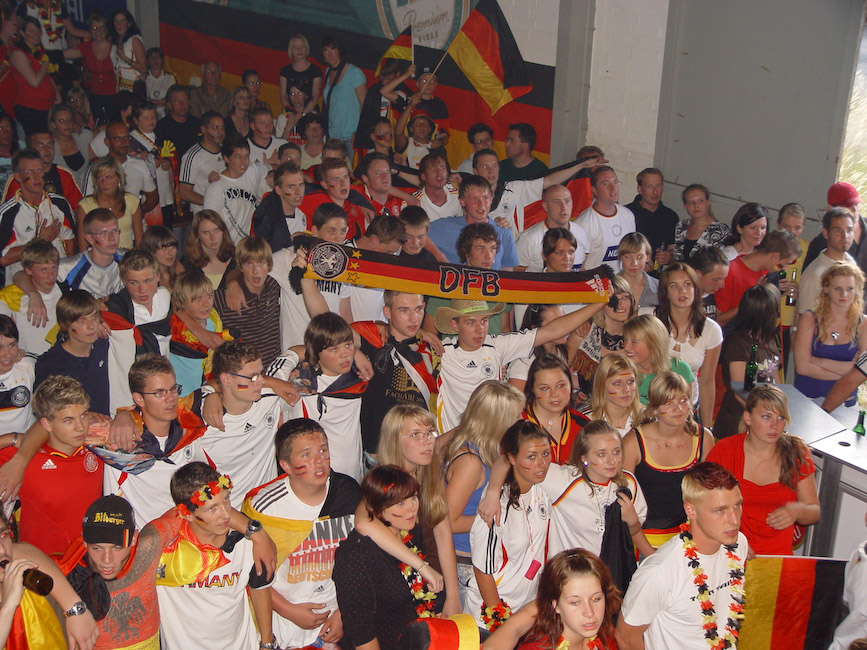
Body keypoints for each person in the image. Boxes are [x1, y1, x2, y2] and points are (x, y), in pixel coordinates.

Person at [243, 418, 360, 650]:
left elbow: (361, 560)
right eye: (306, 454)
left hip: (338, 618)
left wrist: (344, 612)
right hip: (284, 624)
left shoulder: (348, 492)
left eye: (323, 450)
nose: (319, 461)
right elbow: (248, 574)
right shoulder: (263, 508)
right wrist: (289, 611)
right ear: (286, 465)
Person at [616, 462, 747, 650]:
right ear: (691, 510)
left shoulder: (738, 544)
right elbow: (626, 638)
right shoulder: (660, 572)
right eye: (720, 510)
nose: (734, 520)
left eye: (737, 505)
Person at [434, 299, 604, 432]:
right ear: (455, 325)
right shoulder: (441, 351)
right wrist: (422, 333)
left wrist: (600, 303)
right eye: (471, 322)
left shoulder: (497, 345)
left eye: (484, 321)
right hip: (454, 440)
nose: (480, 329)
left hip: (492, 438)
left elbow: (553, 330)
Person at [157, 462, 275, 650]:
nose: (226, 514)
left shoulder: (246, 545)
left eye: (226, 500)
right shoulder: (165, 552)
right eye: (212, 508)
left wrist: (267, 644)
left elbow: (260, 590)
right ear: (187, 514)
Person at [364, 405, 460, 616]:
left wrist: (454, 596)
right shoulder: (379, 484)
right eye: (416, 435)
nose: (427, 441)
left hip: (436, 584)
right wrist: (421, 566)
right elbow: (363, 523)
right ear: (394, 440)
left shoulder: (431, 474)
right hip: (400, 590)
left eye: (430, 433)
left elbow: (443, 533)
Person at [333, 465, 442, 650]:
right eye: (400, 503)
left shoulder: (411, 533)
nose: (412, 507)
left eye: (414, 497)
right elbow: (361, 633)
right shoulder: (355, 555)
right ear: (377, 508)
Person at [707, 385, 819, 555]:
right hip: (730, 554)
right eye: (766, 417)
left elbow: (814, 511)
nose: (775, 425)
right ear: (748, 417)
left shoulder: (797, 453)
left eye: (781, 417)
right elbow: (703, 507)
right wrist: (731, 543)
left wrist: (796, 511)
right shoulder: (725, 451)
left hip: (779, 558)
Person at [442, 380, 525, 608]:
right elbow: (447, 522)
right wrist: (498, 518)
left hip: (482, 557)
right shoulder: (470, 462)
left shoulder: (490, 451)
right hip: (464, 565)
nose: (522, 421)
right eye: (516, 417)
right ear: (496, 422)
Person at [103, 353, 211, 524]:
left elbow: (221, 386)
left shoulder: (191, 428)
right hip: (144, 536)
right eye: (159, 393)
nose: (171, 398)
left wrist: (213, 395)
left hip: (189, 534)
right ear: (139, 399)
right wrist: (123, 413)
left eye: (173, 389)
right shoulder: (120, 443)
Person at [0, 375, 101, 555]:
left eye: (83, 415)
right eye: (68, 420)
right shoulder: (24, 459)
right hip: (42, 564)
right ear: (46, 424)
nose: (80, 427)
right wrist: (10, 439)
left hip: (92, 563)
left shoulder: (100, 448)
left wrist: (123, 416)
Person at [465, 420, 552, 631]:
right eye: (531, 457)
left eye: (546, 454)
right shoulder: (495, 506)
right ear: (512, 458)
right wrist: (500, 622)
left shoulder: (544, 490)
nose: (542, 463)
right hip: (489, 618)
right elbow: (482, 570)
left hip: (526, 612)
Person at [269, 312, 367, 481]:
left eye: (348, 345)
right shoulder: (295, 381)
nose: (345, 354)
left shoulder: (359, 377)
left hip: (349, 475)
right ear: (316, 352)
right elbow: (264, 380)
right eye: (334, 349)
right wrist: (295, 353)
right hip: (305, 475)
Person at [622, 372, 714, 547]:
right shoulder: (633, 442)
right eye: (668, 403)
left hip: (690, 537)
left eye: (683, 400)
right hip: (643, 538)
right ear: (654, 408)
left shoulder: (703, 438)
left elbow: (711, 494)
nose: (678, 409)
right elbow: (624, 506)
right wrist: (651, 555)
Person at [543, 420, 653, 560]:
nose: (611, 461)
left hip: (613, 569)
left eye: (616, 452)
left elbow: (635, 533)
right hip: (573, 570)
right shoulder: (564, 481)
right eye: (601, 454)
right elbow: (524, 466)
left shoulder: (628, 483)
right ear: (584, 457)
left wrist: (633, 522)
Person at [0, 509, 100, 650]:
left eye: (3, 535)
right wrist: (7, 607)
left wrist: (75, 609)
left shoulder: (30, 579)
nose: (2, 550)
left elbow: (20, 550)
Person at [654, 263, 722, 427]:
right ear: (666, 293)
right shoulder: (650, 318)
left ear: (696, 289)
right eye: (674, 286)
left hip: (687, 409)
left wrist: (707, 429)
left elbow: (707, 382)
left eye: (687, 284)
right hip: (651, 406)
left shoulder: (711, 330)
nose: (682, 291)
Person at [714, 284, 783, 439]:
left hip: (764, 418)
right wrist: (762, 415)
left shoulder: (767, 342)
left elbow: (777, 385)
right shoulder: (739, 344)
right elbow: (740, 390)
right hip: (739, 421)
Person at [517, 549, 622, 650]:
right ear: (556, 605)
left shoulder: (606, 638)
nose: (589, 612)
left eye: (596, 599)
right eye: (575, 602)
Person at [794, 262, 866, 406]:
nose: (844, 294)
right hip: (807, 400)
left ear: (857, 290)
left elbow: (861, 372)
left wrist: (817, 361)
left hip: (844, 403)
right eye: (838, 288)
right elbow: (802, 368)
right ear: (826, 288)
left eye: (850, 289)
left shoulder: (863, 323)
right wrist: (847, 371)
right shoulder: (809, 319)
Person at [0, 148, 75, 279]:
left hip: (59, 279)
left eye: (39, 170)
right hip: (23, 283)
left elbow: (70, 242)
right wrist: (40, 240)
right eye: (30, 171)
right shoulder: (8, 213)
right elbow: (3, 259)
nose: (36, 177)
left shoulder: (60, 204)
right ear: (17, 176)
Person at [34, 290, 111, 414]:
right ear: (65, 324)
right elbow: (45, 411)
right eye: (81, 321)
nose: (91, 326)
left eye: (94, 317)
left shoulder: (106, 348)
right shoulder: (49, 364)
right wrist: (86, 416)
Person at [214, 236, 281, 366]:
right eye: (249, 264)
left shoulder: (274, 286)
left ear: (269, 265)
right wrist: (204, 334)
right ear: (240, 266)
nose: (255, 271)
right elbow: (184, 306)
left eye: (260, 263)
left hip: (275, 368)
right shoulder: (226, 296)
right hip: (242, 371)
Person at [427, 175, 518, 269]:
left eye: (485, 198)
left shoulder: (503, 231)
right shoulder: (446, 227)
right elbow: (419, 233)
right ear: (462, 201)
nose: (481, 204)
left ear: (491, 199)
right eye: (474, 199)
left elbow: (507, 272)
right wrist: (439, 257)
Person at [714, 228, 800, 326]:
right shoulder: (731, 272)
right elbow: (719, 320)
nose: (785, 269)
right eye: (784, 264)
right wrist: (751, 299)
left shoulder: (766, 273)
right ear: (775, 256)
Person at [568, 274, 634, 399]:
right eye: (613, 299)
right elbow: (561, 374)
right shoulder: (582, 335)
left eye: (625, 298)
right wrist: (582, 389)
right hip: (591, 407)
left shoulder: (637, 336)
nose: (621, 305)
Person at [169, 268, 232, 391]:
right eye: (197, 299)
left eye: (209, 296)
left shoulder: (214, 321)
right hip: (178, 393)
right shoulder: (174, 327)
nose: (206, 304)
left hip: (204, 390)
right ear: (182, 301)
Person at [203, 134, 271, 244]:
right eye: (237, 157)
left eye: (247, 156)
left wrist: (272, 165)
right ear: (226, 158)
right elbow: (209, 224)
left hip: (250, 247)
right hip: (228, 247)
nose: (243, 161)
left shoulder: (252, 171)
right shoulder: (216, 187)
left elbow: (269, 170)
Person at [521, 354, 589, 463]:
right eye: (545, 388)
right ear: (532, 388)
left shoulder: (584, 426)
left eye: (560, 386)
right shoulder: (517, 424)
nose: (554, 394)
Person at [82, 121, 158, 214]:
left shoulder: (140, 164)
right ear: (107, 142)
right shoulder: (96, 169)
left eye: (126, 137)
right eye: (118, 138)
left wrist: (138, 214)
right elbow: (86, 204)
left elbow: (152, 197)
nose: (123, 142)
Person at [0, 238, 60, 356]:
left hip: (58, 361)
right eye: (43, 270)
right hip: (25, 362)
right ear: (28, 270)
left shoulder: (65, 290)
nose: (51, 276)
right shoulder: (10, 296)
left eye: (54, 268)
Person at [516, 184, 590, 272]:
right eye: (556, 202)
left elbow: (582, 269)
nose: (564, 207)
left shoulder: (581, 232)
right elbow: (515, 275)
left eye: (567, 201)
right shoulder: (528, 239)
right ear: (545, 206)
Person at [622, 314, 694, 404]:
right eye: (625, 340)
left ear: (654, 343)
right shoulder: (622, 373)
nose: (626, 347)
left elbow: (685, 409)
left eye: (634, 342)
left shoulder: (680, 369)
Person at [575, 166, 636, 273]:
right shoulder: (584, 223)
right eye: (606, 184)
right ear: (594, 190)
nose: (613, 188)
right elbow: (578, 266)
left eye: (615, 182)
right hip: (596, 281)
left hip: (624, 280)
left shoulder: (627, 215)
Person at [3, 129, 83, 210]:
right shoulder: (20, 178)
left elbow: (79, 209)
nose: (47, 149)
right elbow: (9, 211)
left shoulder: (64, 174)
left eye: (50, 144)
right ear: (30, 149)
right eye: (40, 145)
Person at [798, 207, 857, 314]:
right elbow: (803, 317)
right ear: (825, 233)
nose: (845, 236)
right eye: (838, 231)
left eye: (849, 230)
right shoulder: (815, 275)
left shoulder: (851, 263)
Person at [54, 206, 123, 297]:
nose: (112, 238)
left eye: (114, 231)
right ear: (90, 239)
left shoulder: (128, 260)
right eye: (103, 233)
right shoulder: (67, 269)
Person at [76, 156, 142, 249]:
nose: (104, 183)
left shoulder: (131, 201)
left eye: (109, 178)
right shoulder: (86, 206)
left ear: (119, 178)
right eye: (100, 178)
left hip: (127, 255)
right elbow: (83, 247)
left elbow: (139, 240)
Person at [8, 16, 57, 135]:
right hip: (31, 108)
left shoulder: (39, 54)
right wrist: (46, 63)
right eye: (31, 31)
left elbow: (47, 78)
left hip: (47, 107)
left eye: (37, 31)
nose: (35, 34)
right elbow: (34, 81)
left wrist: (57, 95)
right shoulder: (18, 53)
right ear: (22, 33)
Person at [64, 13, 114, 121]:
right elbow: (65, 54)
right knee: (99, 124)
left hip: (114, 95)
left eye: (101, 27)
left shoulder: (114, 46)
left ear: (106, 30)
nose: (98, 31)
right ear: (90, 31)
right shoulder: (86, 47)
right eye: (94, 28)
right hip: (95, 95)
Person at [507, 303, 568, 391]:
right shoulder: (523, 361)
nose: (563, 328)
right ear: (535, 329)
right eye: (555, 324)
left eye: (564, 320)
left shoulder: (559, 350)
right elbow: (515, 398)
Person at [626, 167, 679, 268]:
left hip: (656, 273)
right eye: (649, 187)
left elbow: (673, 250)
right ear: (639, 189)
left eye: (658, 186)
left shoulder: (670, 217)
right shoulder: (627, 213)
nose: (655, 192)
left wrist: (669, 257)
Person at [321, 35, 366, 148]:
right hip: (333, 135)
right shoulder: (328, 72)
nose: (330, 55)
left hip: (350, 137)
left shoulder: (354, 73)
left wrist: (359, 132)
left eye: (333, 50)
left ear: (339, 50)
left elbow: (364, 104)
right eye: (326, 51)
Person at [584, 353, 643, 438]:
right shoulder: (584, 421)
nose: (626, 389)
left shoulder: (648, 419)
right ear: (601, 386)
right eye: (617, 383)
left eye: (631, 382)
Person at [252, 161, 306, 253]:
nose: (298, 191)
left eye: (301, 185)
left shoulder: (304, 212)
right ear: (278, 190)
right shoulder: (264, 220)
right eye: (291, 187)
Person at [178, 110, 225, 215]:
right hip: (204, 214)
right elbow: (184, 193)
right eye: (215, 128)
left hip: (226, 212)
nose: (220, 132)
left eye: (222, 128)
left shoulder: (226, 151)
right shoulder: (193, 156)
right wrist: (212, 203)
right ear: (204, 129)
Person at [673, 183, 731, 261]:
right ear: (685, 206)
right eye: (691, 202)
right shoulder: (681, 226)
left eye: (700, 201)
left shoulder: (722, 230)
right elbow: (676, 258)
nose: (696, 205)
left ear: (708, 203)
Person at [409, 152, 461, 224]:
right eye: (433, 168)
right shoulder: (414, 203)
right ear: (423, 176)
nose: (439, 172)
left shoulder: (457, 196)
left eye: (442, 168)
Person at [156, 84, 201, 159]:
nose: (182, 104)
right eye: (177, 101)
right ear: (169, 104)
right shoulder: (161, 127)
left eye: (184, 100)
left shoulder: (197, 124)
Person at [48, 104, 89, 186]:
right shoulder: (49, 146)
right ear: (53, 124)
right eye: (61, 121)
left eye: (69, 120)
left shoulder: (82, 137)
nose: (67, 124)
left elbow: (103, 132)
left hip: (86, 189)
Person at [279, 34, 321, 114]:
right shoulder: (285, 71)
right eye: (295, 47)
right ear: (291, 50)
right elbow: (283, 96)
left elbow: (315, 96)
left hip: (310, 111)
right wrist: (291, 113)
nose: (299, 50)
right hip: (290, 112)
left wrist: (303, 114)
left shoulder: (315, 70)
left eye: (302, 46)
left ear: (307, 48)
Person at [685, 246, 729, 321]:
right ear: (697, 274)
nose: (722, 285)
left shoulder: (716, 296)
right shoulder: (684, 299)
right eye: (716, 279)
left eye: (723, 278)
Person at [618, 232, 658, 309]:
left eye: (639, 257)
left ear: (647, 258)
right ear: (620, 257)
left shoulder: (659, 288)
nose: (634, 263)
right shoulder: (609, 288)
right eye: (628, 257)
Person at [110, 9, 145, 94]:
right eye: (116, 21)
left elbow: (143, 68)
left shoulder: (134, 40)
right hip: (119, 86)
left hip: (134, 86)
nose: (119, 24)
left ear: (129, 23)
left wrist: (125, 58)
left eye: (123, 21)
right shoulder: (114, 41)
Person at [141, 224, 183, 289]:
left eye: (173, 247)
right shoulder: (146, 280)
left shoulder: (178, 272)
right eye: (164, 248)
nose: (171, 253)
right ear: (151, 250)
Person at [144, 46, 175, 118]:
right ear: (147, 61)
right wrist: (160, 102)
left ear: (162, 59)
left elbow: (171, 99)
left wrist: (151, 101)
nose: (155, 60)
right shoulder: (144, 77)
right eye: (152, 58)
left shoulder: (170, 77)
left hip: (166, 113)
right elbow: (142, 99)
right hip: (148, 113)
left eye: (157, 57)